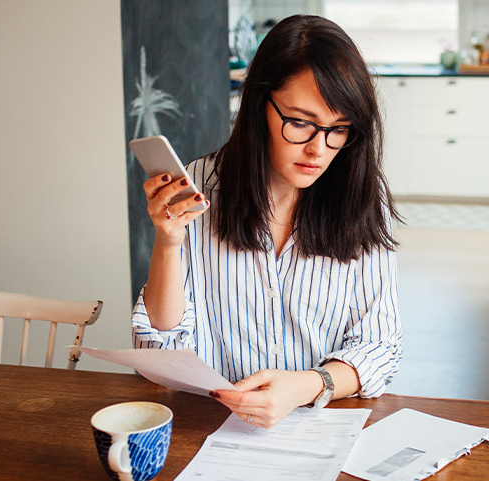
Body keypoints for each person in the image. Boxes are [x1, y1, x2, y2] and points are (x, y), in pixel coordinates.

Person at [131, 14, 402, 429]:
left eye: (339, 129)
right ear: (260, 104)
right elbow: (158, 348)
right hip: (214, 426)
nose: (319, 149)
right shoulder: (201, 187)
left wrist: (308, 385)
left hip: (323, 423)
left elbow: (380, 345)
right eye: (300, 122)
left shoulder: (363, 198)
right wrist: (167, 241)